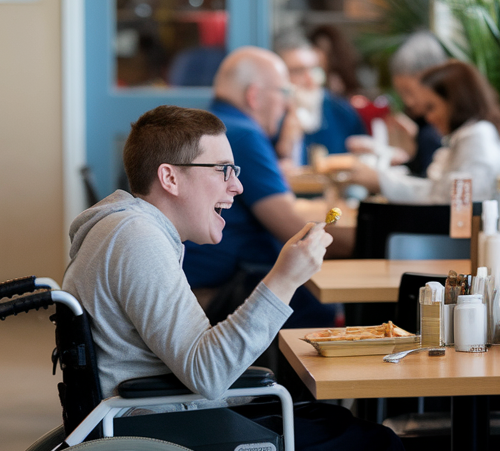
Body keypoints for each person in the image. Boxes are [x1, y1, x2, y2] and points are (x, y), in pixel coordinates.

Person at [61, 105, 402, 450]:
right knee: (377, 441)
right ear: (170, 178)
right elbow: (208, 373)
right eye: (223, 170)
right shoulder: (138, 239)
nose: (237, 186)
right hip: (164, 430)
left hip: (167, 416)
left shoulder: (129, 229)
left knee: (334, 420)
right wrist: (284, 279)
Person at [182, 46, 353, 328]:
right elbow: (297, 233)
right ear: (253, 95)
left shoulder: (217, 126)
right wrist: (374, 239)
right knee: (321, 308)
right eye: (285, 93)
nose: (289, 105)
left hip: (201, 279)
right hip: (222, 290)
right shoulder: (242, 135)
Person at [348, 60, 500, 231]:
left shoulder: (477, 136)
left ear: (455, 102)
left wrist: (380, 181)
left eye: (431, 107)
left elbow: (449, 201)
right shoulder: (464, 138)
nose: (428, 117)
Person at [346, 31, 445, 177]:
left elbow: (427, 181)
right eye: (402, 93)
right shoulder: (415, 120)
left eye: (409, 92)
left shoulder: (441, 124)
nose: (407, 101)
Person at [272, 31, 366, 168]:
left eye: (314, 69)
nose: (310, 79)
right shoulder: (270, 117)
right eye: (298, 71)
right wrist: (286, 144)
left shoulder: (341, 112)